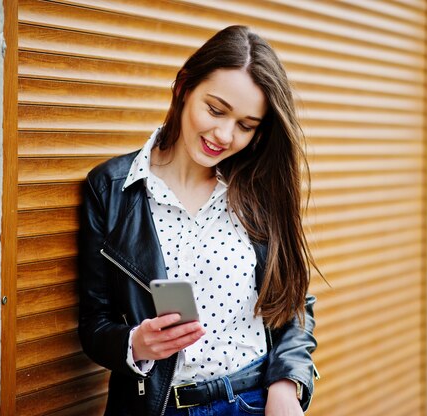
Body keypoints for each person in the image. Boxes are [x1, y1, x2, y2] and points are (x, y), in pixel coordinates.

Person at [78, 25, 319, 416]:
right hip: (156, 407)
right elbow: (94, 324)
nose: (223, 135)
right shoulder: (111, 188)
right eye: (215, 109)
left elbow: (293, 301)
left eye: (246, 126)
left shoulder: (259, 191)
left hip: (253, 400)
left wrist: (287, 384)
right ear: (183, 87)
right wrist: (136, 344)